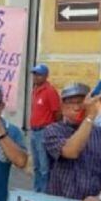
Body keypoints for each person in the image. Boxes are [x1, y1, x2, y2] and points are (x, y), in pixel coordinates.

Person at [28, 63, 60, 192]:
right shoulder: (35, 90)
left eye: (39, 74)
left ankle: (45, 193)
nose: (35, 77)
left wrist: (52, 130)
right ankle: (37, 190)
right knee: (36, 165)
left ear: (46, 76)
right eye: (34, 74)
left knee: (44, 166)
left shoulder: (50, 91)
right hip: (34, 132)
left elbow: (57, 112)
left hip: (44, 132)